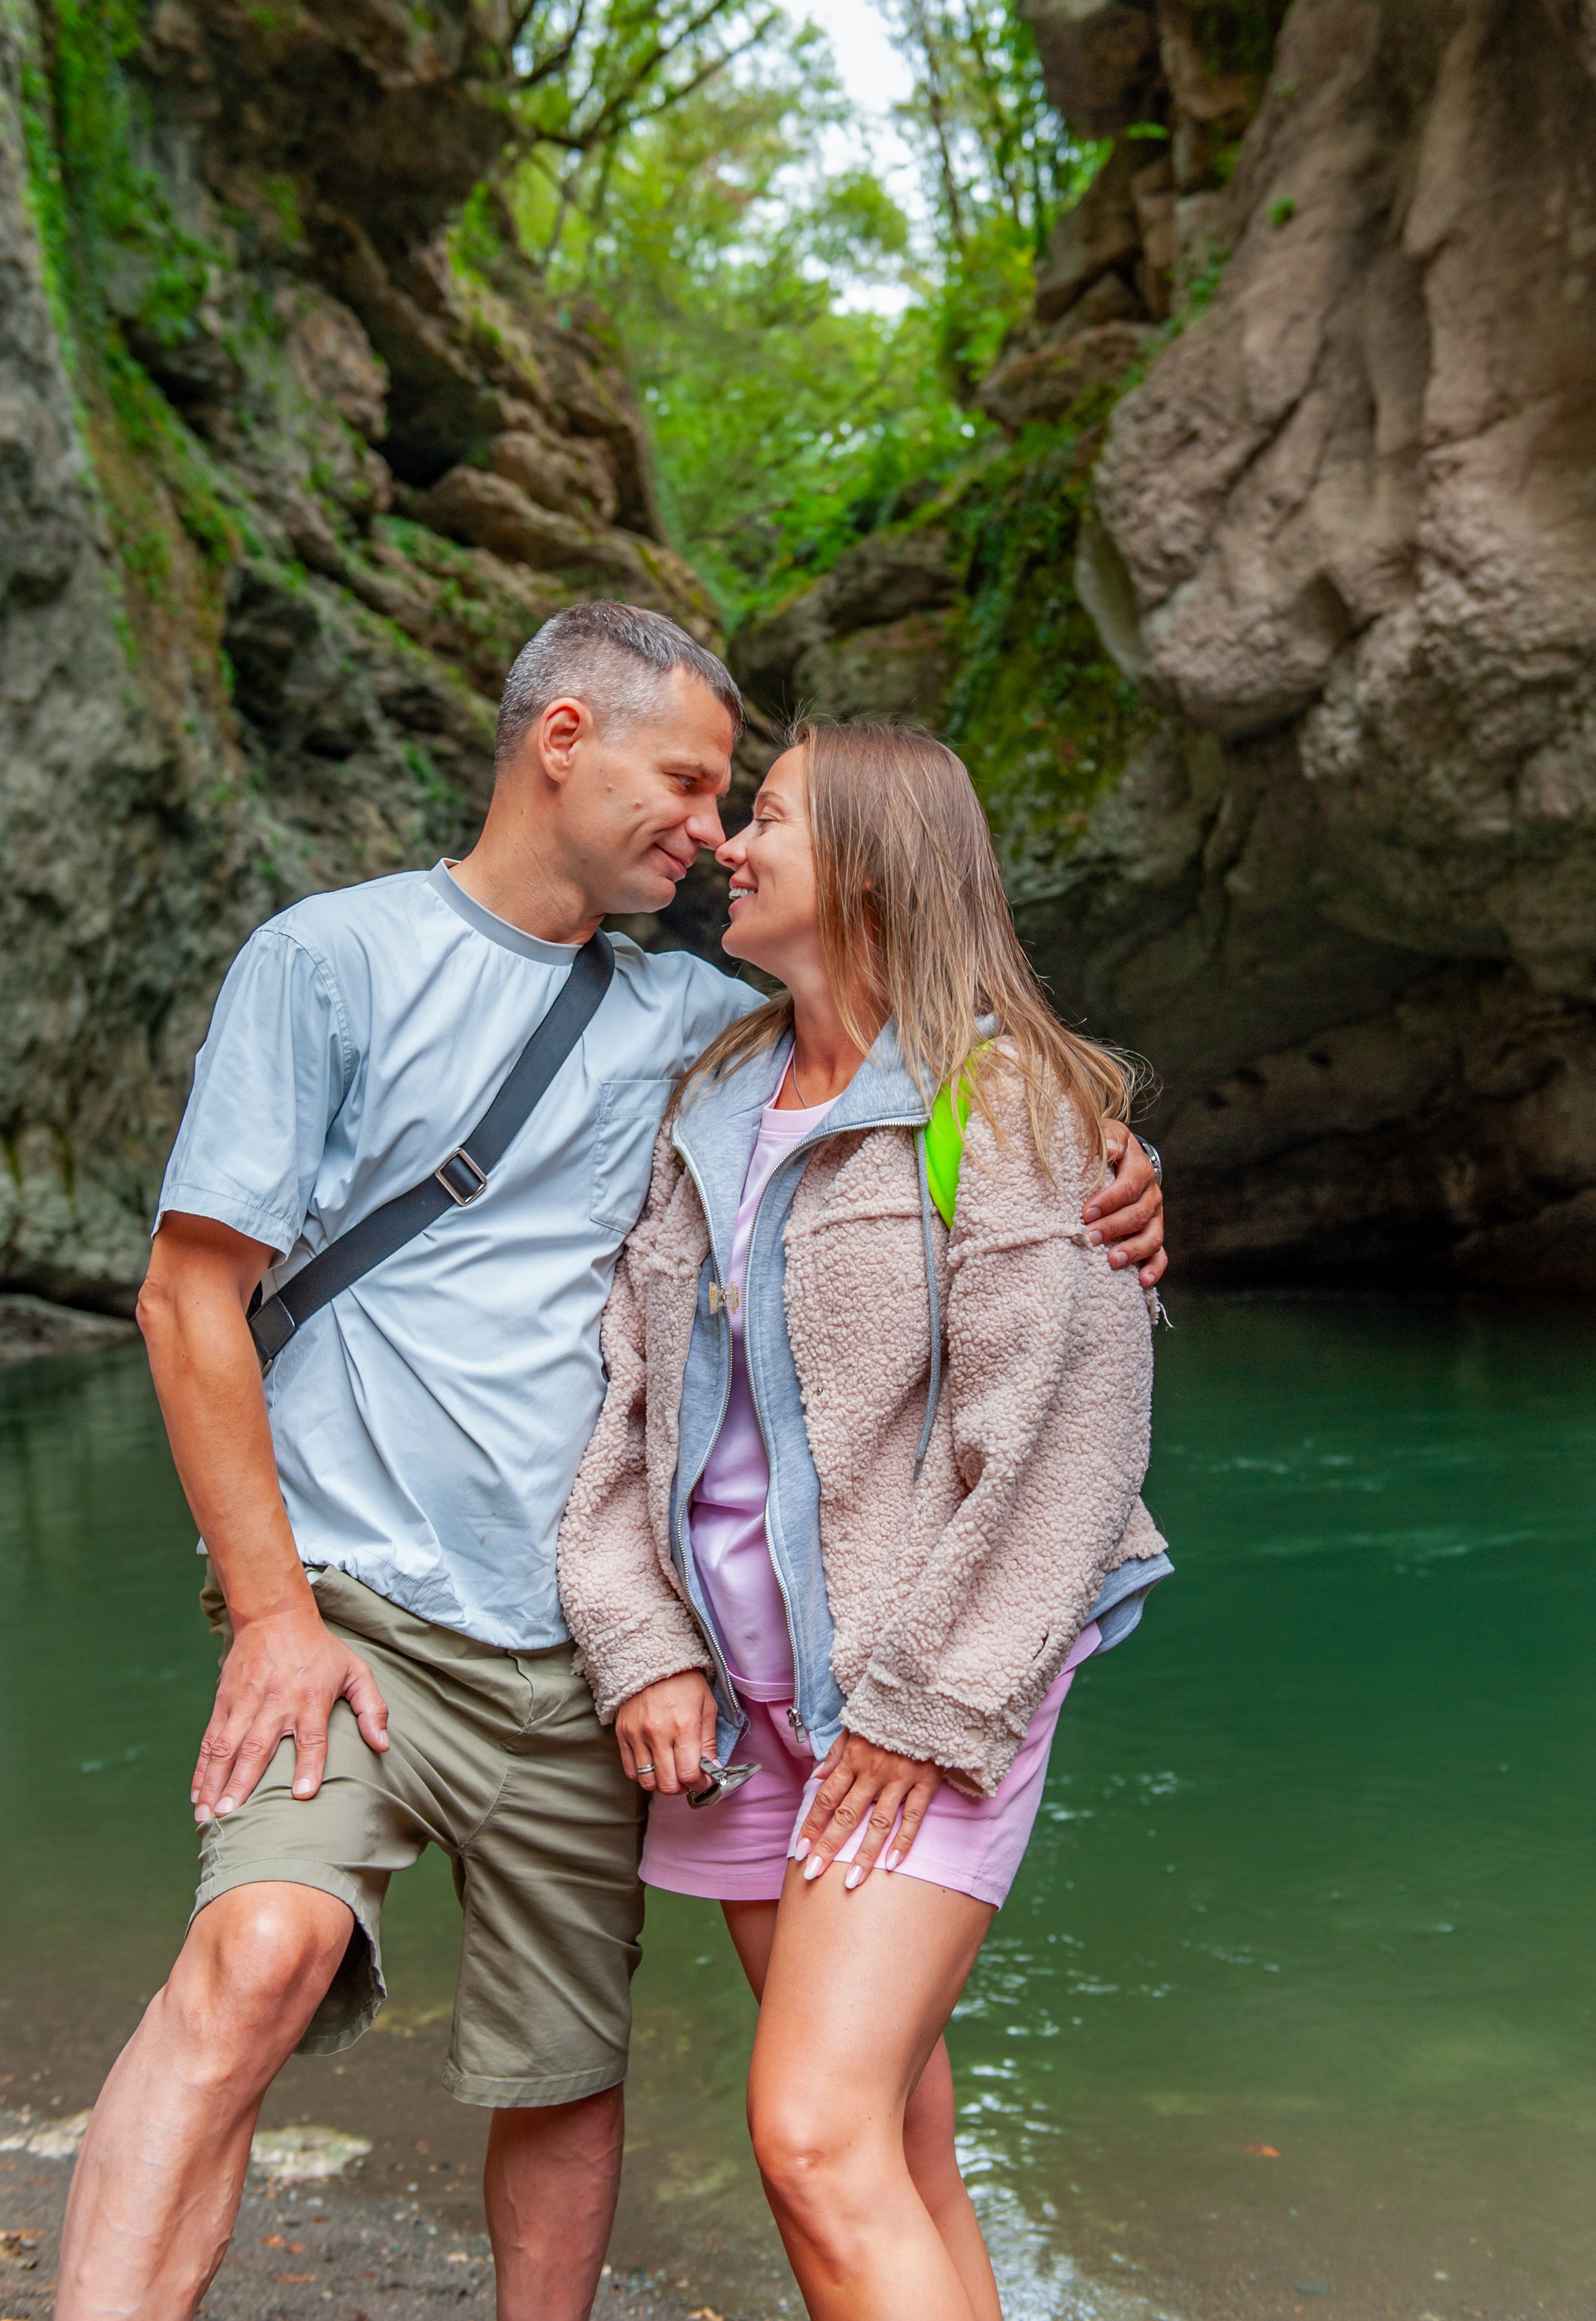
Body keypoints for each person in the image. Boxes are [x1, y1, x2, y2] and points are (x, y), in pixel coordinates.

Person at [56, 611, 1166, 2321]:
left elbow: (939, 1109)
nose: (720, 833)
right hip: (431, 1634)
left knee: (664, 2097)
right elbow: (204, 1298)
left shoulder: (710, 1032)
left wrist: (1110, 1156)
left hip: (668, 1676)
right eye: (698, 782)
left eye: (749, 805)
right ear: (563, 739)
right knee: (263, 1959)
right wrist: (277, 1614)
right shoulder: (372, 973)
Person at [557, 717, 1171, 2321]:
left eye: (764, 817)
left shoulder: (1009, 1101)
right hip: (739, 1715)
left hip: (924, 1698)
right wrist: (640, 1651)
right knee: (891, 2128)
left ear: (876, 869)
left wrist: (923, 1711)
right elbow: (630, 1409)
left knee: (811, 2139)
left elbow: (1063, 1447)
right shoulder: (706, 1092)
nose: (729, 847)